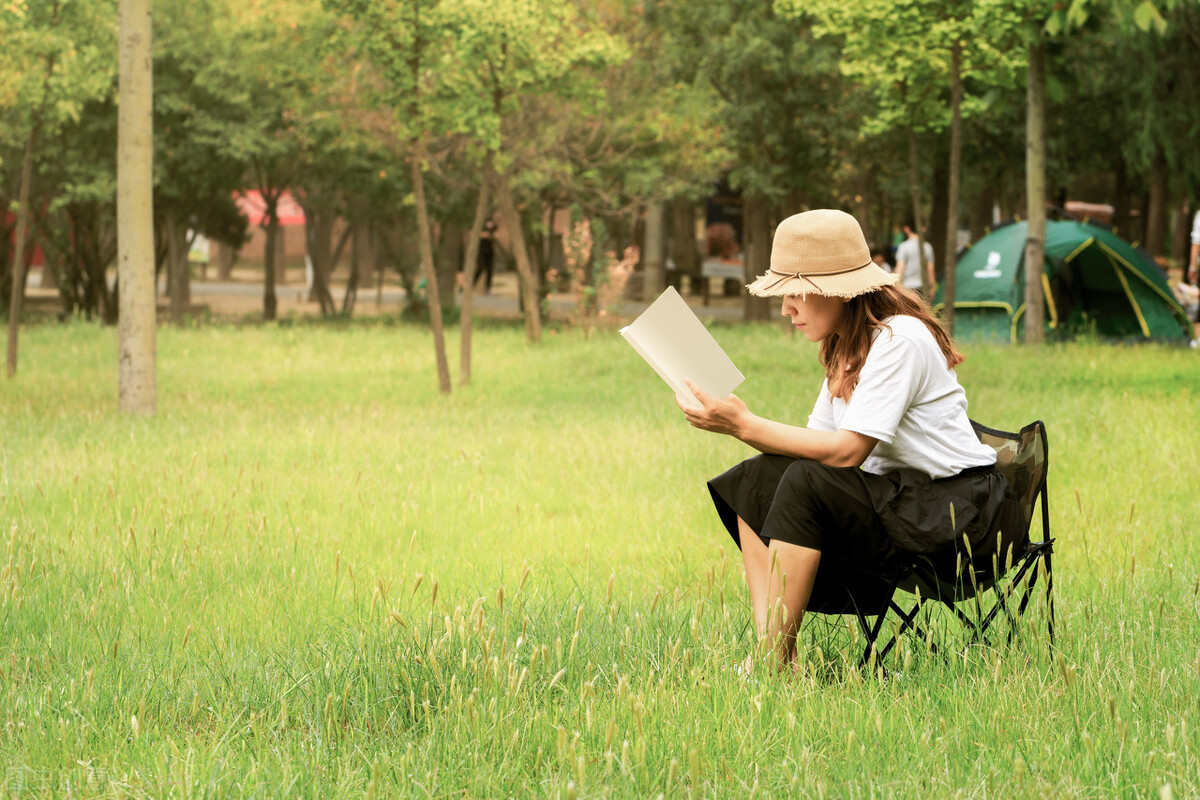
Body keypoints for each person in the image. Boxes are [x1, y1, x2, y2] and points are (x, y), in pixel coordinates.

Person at [677, 209, 1022, 675]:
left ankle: (769, 663)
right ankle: (776, 655)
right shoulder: (848, 345)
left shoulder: (899, 338)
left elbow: (847, 452)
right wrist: (728, 415)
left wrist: (744, 425)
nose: (786, 309)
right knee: (754, 480)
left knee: (802, 482)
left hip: (958, 518)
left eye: (796, 293)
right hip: (905, 502)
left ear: (836, 289)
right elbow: (817, 446)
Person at [893, 222, 935, 297]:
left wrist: (896, 288)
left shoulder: (904, 247)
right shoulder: (928, 247)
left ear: (906, 229)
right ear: (923, 229)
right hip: (923, 288)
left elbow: (900, 268)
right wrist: (931, 288)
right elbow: (930, 269)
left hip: (907, 288)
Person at [474, 219, 497, 294]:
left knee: (489, 270)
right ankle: (471, 284)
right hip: (481, 251)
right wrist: (483, 234)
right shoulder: (481, 224)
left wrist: (492, 235)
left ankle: (487, 288)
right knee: (480, 268)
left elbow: (496, 235)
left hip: (490, 252)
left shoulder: (494, 225)